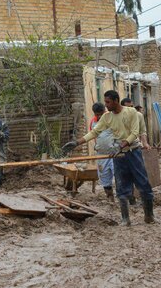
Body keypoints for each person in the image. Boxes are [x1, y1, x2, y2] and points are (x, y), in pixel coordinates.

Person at [63, 90, 154, 226]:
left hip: (133, 152)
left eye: (108, 102)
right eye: (105, 102)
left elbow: (135, 133)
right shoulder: (107, 117)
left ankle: (149, 216)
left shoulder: (131, 112)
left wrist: (122, 145)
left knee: (143, 183)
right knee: (121, 185)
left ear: (116, 100)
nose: (106, 105)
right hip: (118, 155)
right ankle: (125, 219)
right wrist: (77, 142)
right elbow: (94, 132)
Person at [90, 102, 116, 201]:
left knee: (118, 175)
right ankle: (110, 198)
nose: (100, 116)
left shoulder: (112, 119)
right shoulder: (93, 122)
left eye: (101, 113)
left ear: (105, 111)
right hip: (101, 155)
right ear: (94, 114)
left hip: (114, 154)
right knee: (104, 177)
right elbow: (93, 136)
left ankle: (126, 197)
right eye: (97, 114)